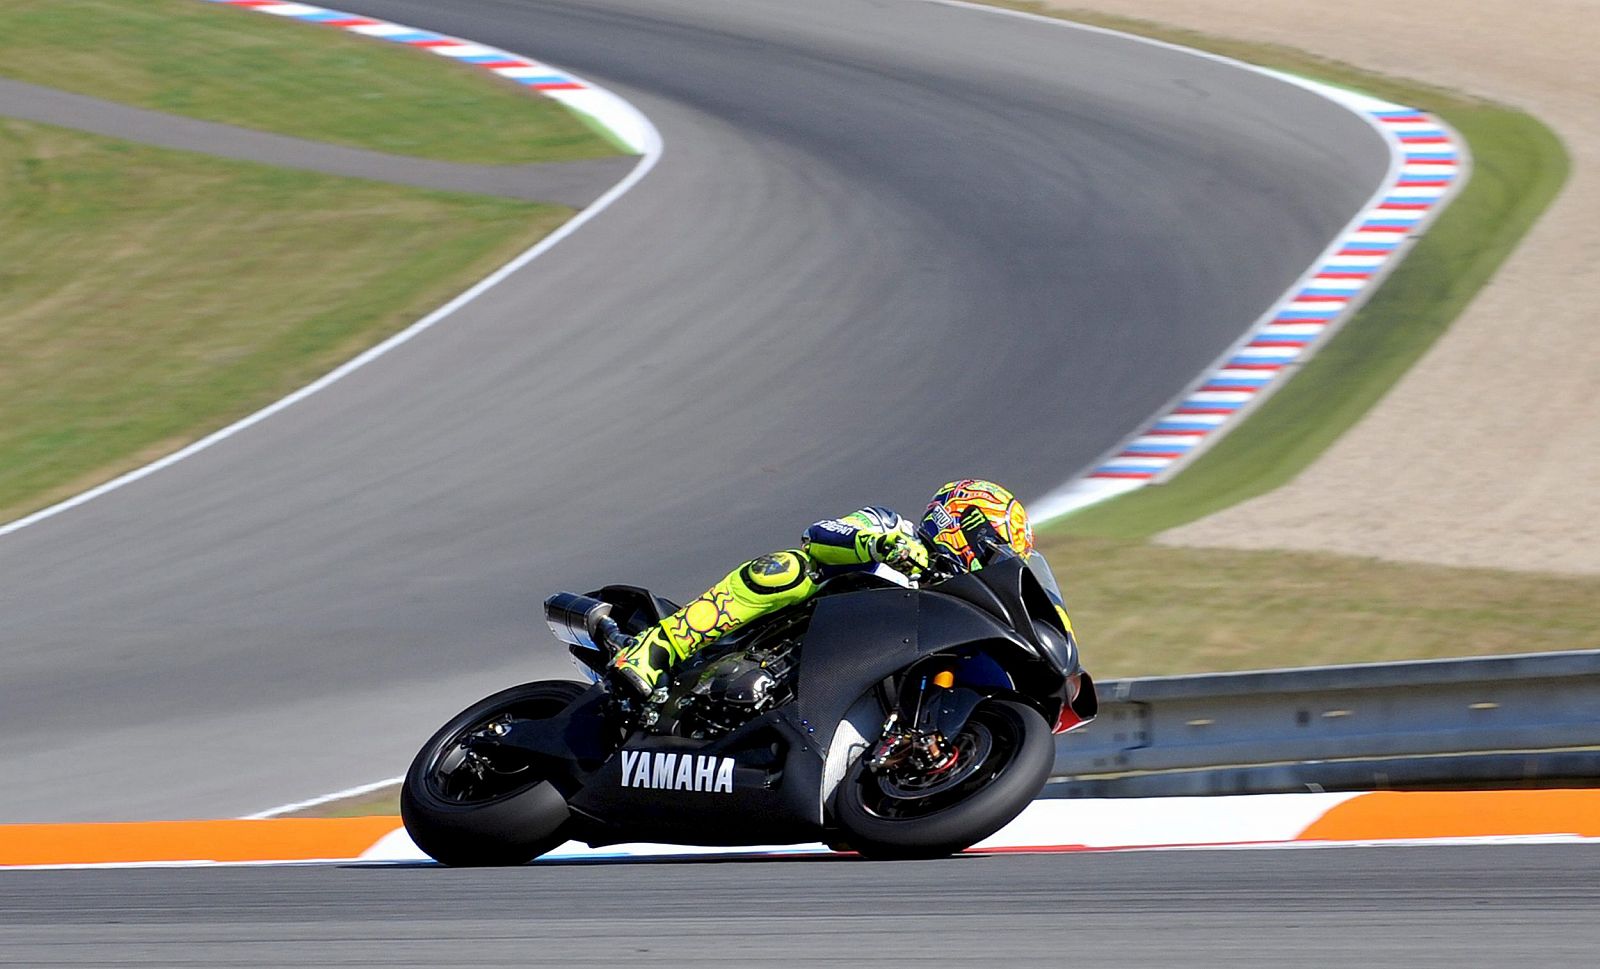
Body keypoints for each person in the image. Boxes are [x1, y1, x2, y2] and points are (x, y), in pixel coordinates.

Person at [610, 478, 1076, 697]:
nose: (990, 559)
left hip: (848, 669)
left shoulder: (961, 599)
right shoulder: (895, 527)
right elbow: (821, 534)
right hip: (791, 635)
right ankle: (655, 651)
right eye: (990, 547)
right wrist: (883, 545)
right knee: (786, 568)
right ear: (961, 522)